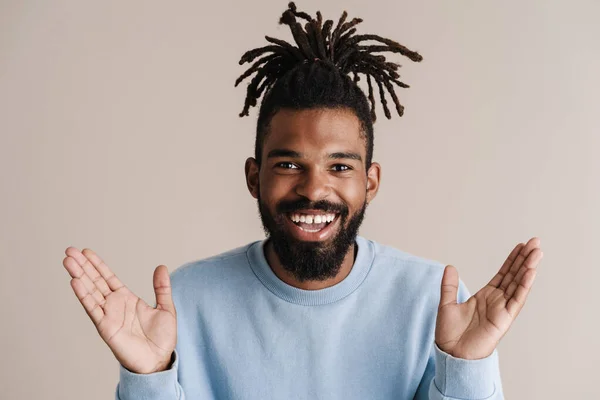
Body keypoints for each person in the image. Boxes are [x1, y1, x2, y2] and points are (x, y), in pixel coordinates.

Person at [62, 3, 543, 399]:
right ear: (254, 177)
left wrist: (464, 369)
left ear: (370, 182)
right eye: (289, 164)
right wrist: (150, 377)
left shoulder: (432, 300)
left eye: (339, 167)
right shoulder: (184, 304)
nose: (314, 190)